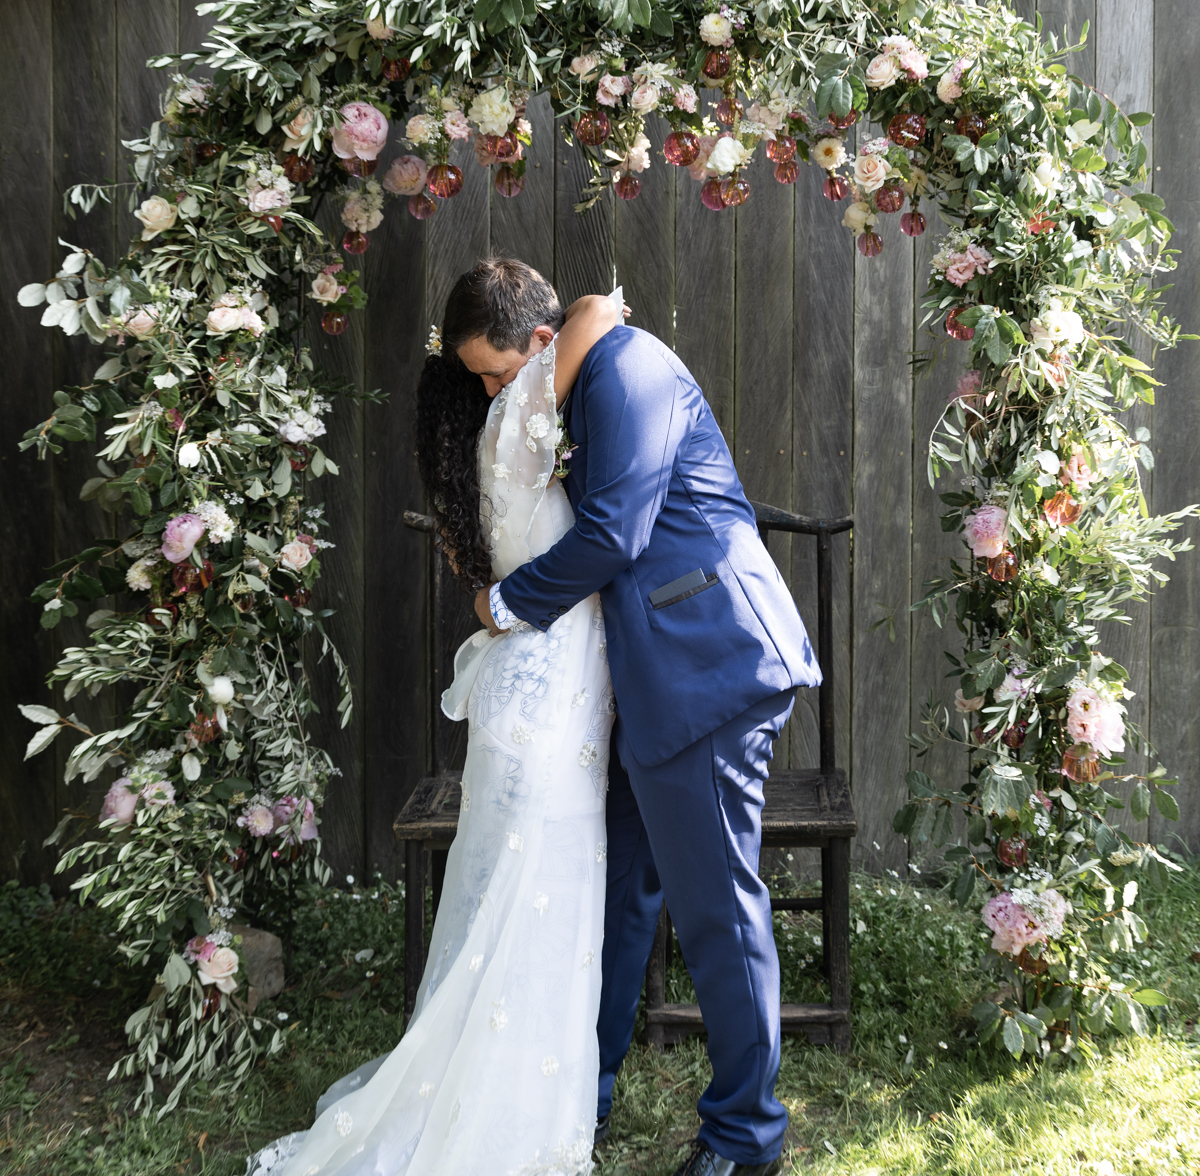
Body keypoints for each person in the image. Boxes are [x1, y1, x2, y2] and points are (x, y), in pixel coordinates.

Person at [245, 275, 627, 1176]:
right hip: (552, 695)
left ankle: (506, 1094)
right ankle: (510, 1119)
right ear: (540, 343)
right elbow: (600, 311)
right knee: (538, 892)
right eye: (484, 375)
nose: (493, 387)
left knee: (517, 892)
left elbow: (486, 571)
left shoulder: (478, 442)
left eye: (495, 371)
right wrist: (538, 355)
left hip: (532, 690)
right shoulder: (524, 409)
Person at [461, 259, 821, 1176]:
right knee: (620, 894)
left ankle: (746, 1138)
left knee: (716, 910)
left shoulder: (629, 368)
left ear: (540, 342)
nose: (494, 396)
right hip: (639, 684)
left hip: (708, 663)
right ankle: (585, 1089)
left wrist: (505, 604)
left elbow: (615, 531)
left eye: (496, 375)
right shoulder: (572, 389)